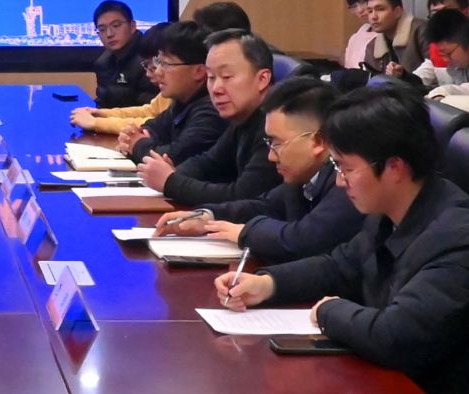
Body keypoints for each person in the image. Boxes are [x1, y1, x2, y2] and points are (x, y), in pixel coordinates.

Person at [214, 87, 469, 394]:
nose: (339, 182)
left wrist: (329, 311)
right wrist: (268, 284)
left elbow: (396, 336)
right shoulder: (393, 209)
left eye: (345, 168)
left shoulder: (461, 239)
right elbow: (341, 265)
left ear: (394, 167)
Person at [153, 78, 364, 262]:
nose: (271, 156)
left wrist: (244, 232)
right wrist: (207, 217)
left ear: (318, 142)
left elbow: (303, 239)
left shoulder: (346, 180)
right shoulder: (304, 175)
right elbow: (266, 205)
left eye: (277, 143)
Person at [140, 30, 282, 209]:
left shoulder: (277, 125)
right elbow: (208, 163)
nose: (216, 89)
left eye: (227, 76)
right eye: (211, 77)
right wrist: (174, 174)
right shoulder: (243, 118)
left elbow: (243, 196)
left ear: (262, 79)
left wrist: (171, 181)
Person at [117, 23, 221, 166]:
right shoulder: (182, 100)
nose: (158, 71)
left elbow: (172, 157)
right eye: (158, 62)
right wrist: (134, 137)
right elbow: (151, 127)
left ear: (199, 71)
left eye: (166, 64)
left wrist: (137, 144)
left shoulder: (212, 110)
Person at [71, 25, 170, 134]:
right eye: (148, 66)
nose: (150, 73)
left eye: (154, 66)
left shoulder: (178, 93)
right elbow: (150, 111)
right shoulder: (104, 62)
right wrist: (102, 113)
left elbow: (155, 124)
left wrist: (96, 123)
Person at [90, 0, 153, 109]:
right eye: (102, 29)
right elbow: (102, 103)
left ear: (132, 26)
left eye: (116, 25)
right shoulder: (102, 63)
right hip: (112, 118)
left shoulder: (149, 60)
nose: (109, 34)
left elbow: (150, 110)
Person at [354, 0, 429, 78]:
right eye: (370, 11)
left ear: (397, 12)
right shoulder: (372, 46)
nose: (373, 16)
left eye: (380, 9)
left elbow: (435, 71)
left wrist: (405, 76)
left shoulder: (421, 31)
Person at [413, 7, 469, 92]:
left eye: (448, 54)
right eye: (442, 55)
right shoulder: (455, 67)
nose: (446, 60)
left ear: (466, 41)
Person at [340, 0, 389, 69]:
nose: (359, 10)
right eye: (354, 6)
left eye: (362, 2)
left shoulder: (388, 34)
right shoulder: (359, 34)